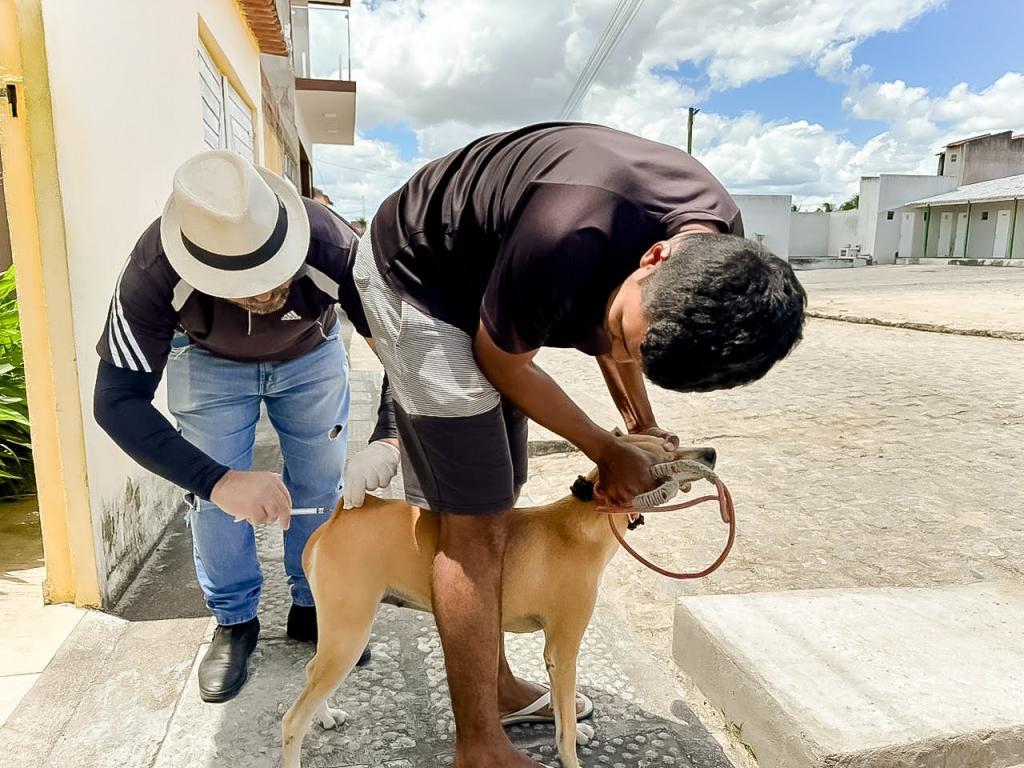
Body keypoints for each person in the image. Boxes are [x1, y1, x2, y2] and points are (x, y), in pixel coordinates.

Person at [347, 122, 807, 767]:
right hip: (417, 274)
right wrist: (605, 450)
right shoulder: (566, 235)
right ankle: (479, 747)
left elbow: (622, 338)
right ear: (653, 257)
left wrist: (641, 428)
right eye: (621, 336)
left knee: (502, 484)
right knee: (475, 518)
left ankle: (496, 685)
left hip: (501, 276)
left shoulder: (719, 253)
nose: (614, 351)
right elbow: (503, 361)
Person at [93, 150, 401, 703]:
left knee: (320, 484)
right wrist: (218, 481)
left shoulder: (335, 247)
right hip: (206, 359)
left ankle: (314, 605)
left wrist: (388, 439)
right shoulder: (153, 269)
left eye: (270, 272)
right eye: (240, 283)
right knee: (214, 501)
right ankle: (234, 621)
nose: (261, 294)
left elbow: (407, 358)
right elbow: (115, 401)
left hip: (311, 355)